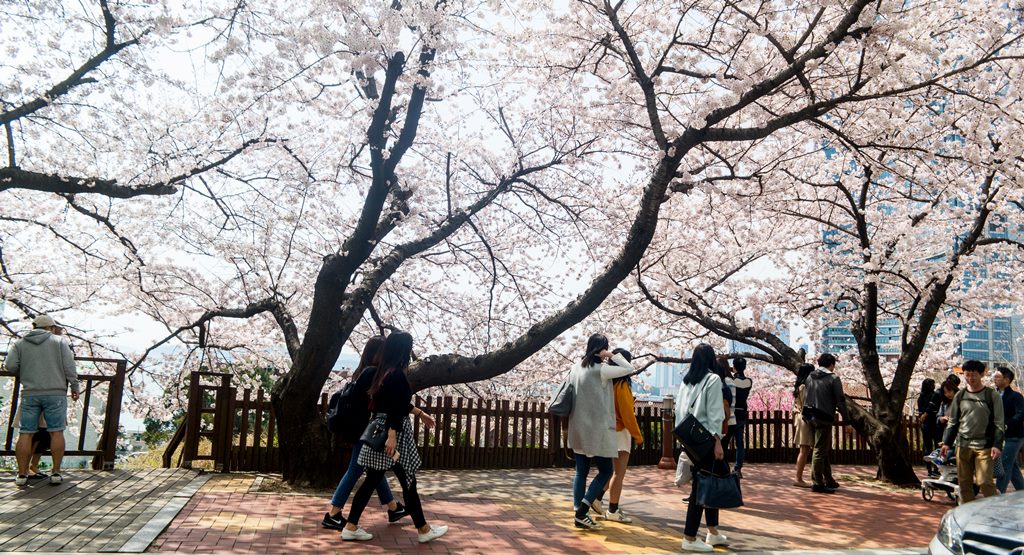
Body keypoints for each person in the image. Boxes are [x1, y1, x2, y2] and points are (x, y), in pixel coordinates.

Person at [342, 331, 448, 543]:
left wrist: (420, 413)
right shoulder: (397, 374)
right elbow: (395, 406)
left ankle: (351, 526)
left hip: (378, 430)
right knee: (407, 479)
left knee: (374, 479)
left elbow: (393, 402)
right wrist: (392, 435)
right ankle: (424, 530)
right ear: (403, 350)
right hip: (393, 433)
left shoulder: (381, 372)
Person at [322, 336, 426, 530]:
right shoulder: (373, 373)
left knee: (375, 472)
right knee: (358, 469)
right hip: (369, 432)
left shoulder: (367, 372)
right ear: (376, 353)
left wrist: (419, 412)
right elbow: (391, 404)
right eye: (383, 350)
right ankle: (333, 513)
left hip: (364, 430)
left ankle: (393, 508)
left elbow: (394, 402)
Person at [566, 334, 635, 530]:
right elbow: (629, 369)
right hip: (596, 431)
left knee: (581, 472)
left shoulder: (575, 368)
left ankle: (578, 511)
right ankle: (583, 511)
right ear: (602, 348)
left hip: (577, 428)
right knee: (606, 471)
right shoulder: (602, 370)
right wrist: (612, 354)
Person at [5, 314, 79, 487]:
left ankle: (22, 475)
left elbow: (10, 366)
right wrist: (74, 386)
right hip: (56, 393)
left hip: (30, 393)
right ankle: (56, 472)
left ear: (34, 327)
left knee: (25, 433)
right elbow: (69, 367)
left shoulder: (20, 343)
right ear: (51, 328)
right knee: (56, 432)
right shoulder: (59, 342)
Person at [675, 343, 728, 553]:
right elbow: (716, 413)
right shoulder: (713, 379)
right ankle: (689, 536)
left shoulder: (686, 381)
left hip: (689, 438)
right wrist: (717, 441)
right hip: (706, 439)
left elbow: (680, 410)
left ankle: (713, 532)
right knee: (703, 486)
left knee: (710, 480)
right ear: (711, 360)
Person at [940, 359, 1004, 503]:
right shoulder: (960, 396)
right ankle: (968, 514)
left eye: (973, 375)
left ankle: (996, 512)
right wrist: (946, 443)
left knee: (984, 482)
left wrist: (997, 445)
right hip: (963, 445)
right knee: (964, 484)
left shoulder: (991, 395)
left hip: (984, 446)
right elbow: (953, 421)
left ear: (982, 374)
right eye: (967, 375)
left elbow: (999, 422)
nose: (969, 378)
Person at [598, 348, 643, 523]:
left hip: (606, 429)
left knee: (608, 471)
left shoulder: (606, 382)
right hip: (619, 431)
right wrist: (637, 435)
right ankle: (613, 509)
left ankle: (597, 498)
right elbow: (626, 414)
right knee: (619, 473)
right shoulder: (622, 385)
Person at [802, 353, 852, 494]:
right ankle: (817, 482)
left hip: (808, 415)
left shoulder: (810, 376)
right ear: (831, 364)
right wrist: (847, 420)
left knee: (821, 448)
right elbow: (840, 401)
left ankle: (828, 479)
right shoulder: (833, 378)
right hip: (823, 417)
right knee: (819, 449)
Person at [993, 367, 1022, 493]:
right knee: (1013, 467)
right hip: (1000, 436)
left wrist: (1007, 424)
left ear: (1007, 380)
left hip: (1014, 436)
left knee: (1004, 464)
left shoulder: (1016, 396)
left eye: (998, 376)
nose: (995, 378)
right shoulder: (993, 394)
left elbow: (1021, 413)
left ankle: (998, 494)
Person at [725, 357, 752, 477]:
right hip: (742, 413)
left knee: (725, 441)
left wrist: (730, 370)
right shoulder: (749, 382)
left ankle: (724, 465)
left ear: (734, 366)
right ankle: (738, 468)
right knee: (740, 443)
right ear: (745, 367)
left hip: (732, 414)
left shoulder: (731, 381)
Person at [791, 363, 815, 488]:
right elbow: (807, 406)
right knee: (804, 450)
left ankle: (799, 477)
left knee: (804, 450)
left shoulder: (799, 386)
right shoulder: (804, 387)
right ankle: (798, 478)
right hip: (805, 420)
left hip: (801, 418)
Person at [917, 378, 937, 462]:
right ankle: (936, 467)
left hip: (925, 423)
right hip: (934, 422)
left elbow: (920, 411)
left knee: (927, 445)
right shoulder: (934, 396)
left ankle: (929, 468)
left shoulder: (921, 397)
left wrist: (922, 416)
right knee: (937, 444)